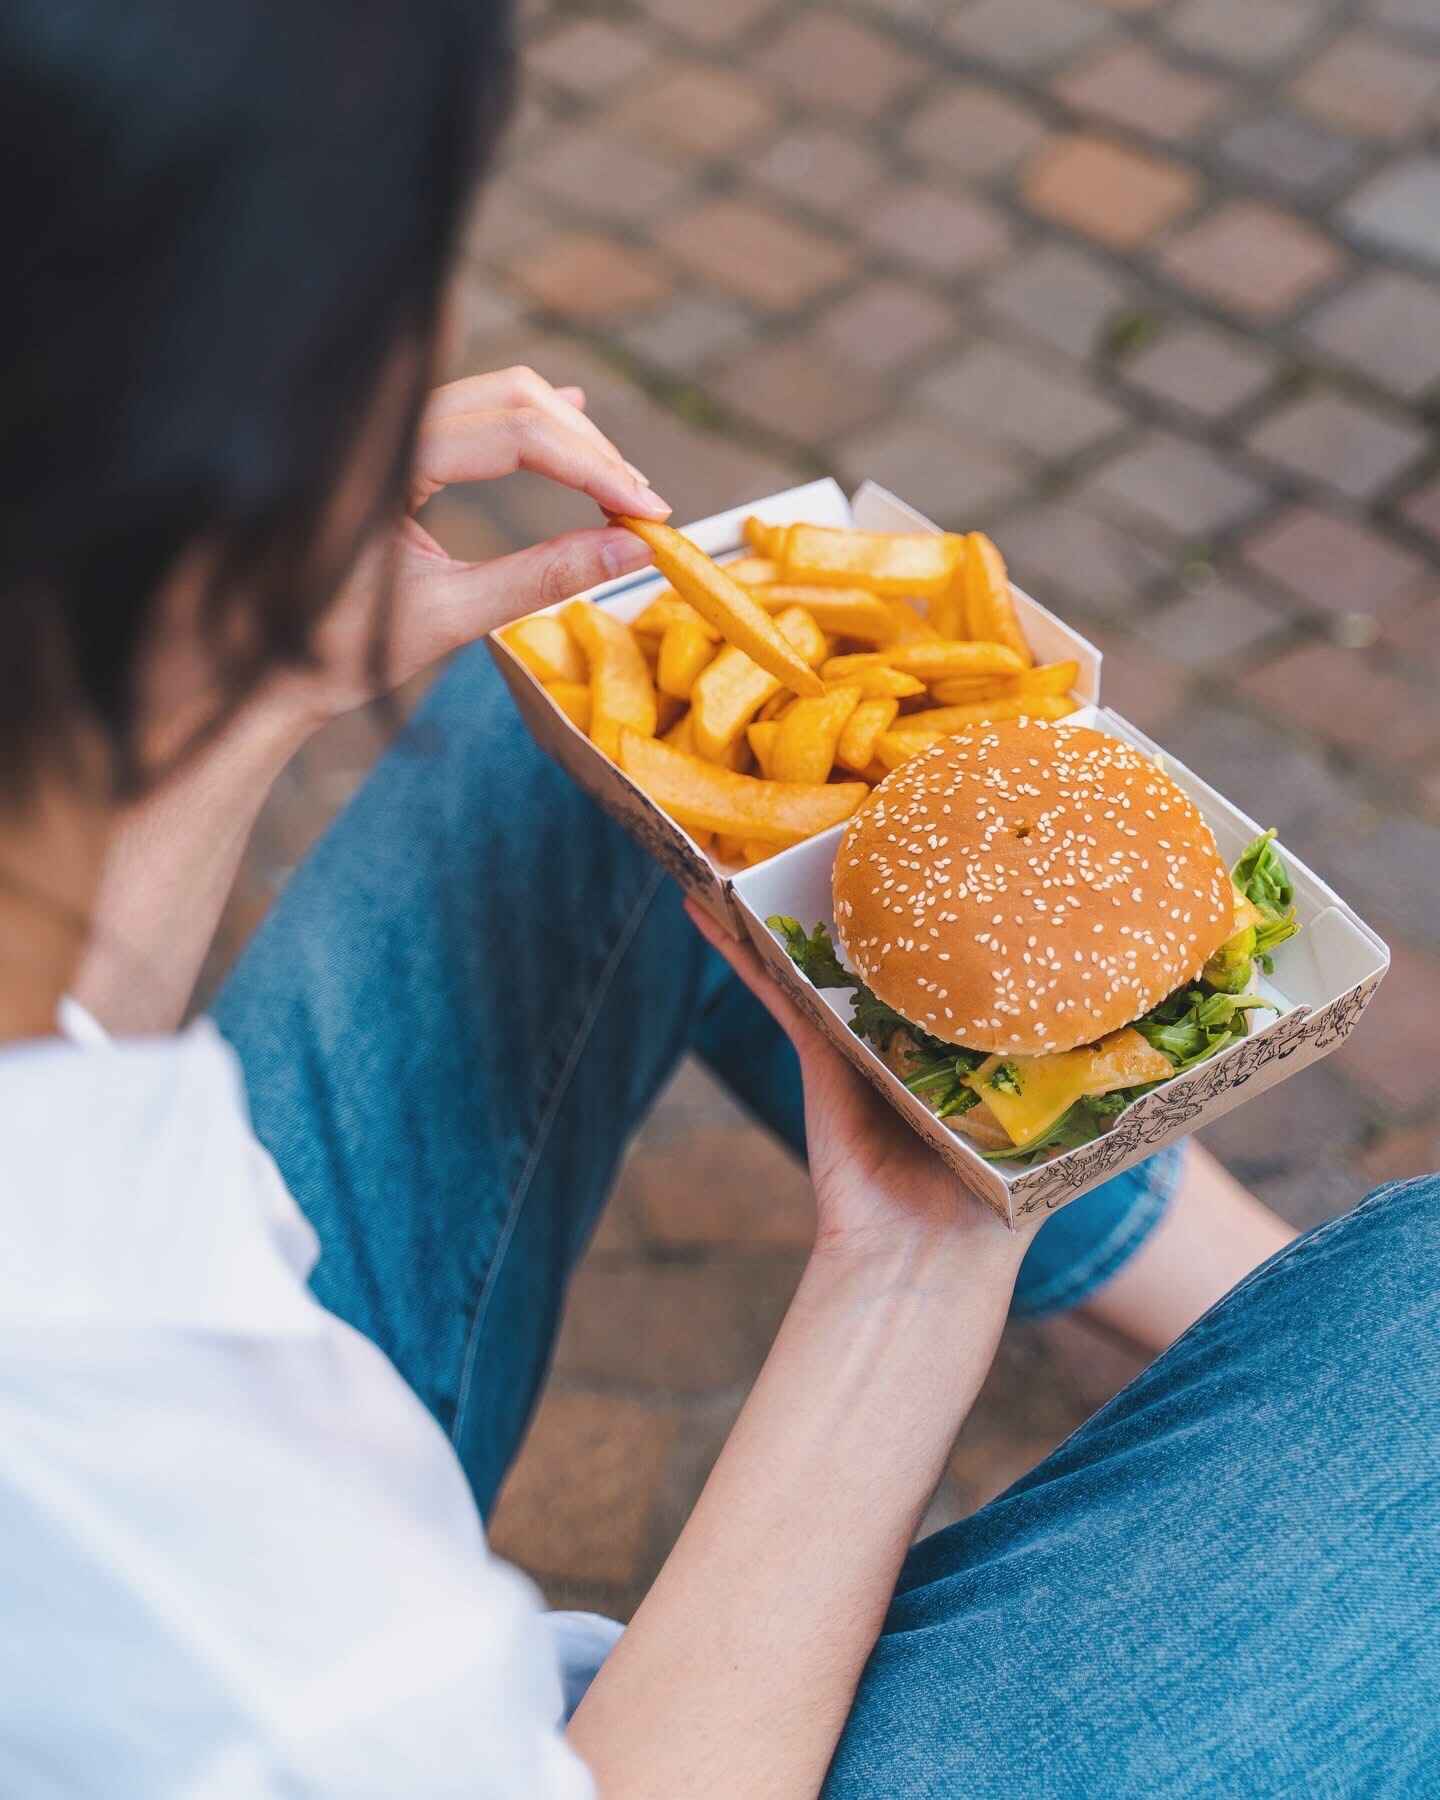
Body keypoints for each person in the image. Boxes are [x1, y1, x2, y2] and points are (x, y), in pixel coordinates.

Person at [3, 1, 1436, 1794]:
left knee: (550, 730)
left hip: (177, 1369)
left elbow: (45, 1086)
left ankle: (1167, 1275)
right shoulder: (240, 1668)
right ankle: (1127, 1283)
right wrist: (909, 1275)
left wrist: (263, 664)